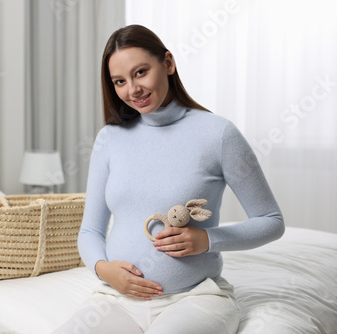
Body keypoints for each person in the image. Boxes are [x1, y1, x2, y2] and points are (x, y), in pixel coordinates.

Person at [53, 24, 284, 334]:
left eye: (140, 73)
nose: (132, 90)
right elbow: (91, 230)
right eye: (119, 81)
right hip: (118, 298)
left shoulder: (218, 134)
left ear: (169, 63)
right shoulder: (110, 138)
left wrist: (207, 240)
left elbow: (270, 221)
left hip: (195, 298)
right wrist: (104, 269)